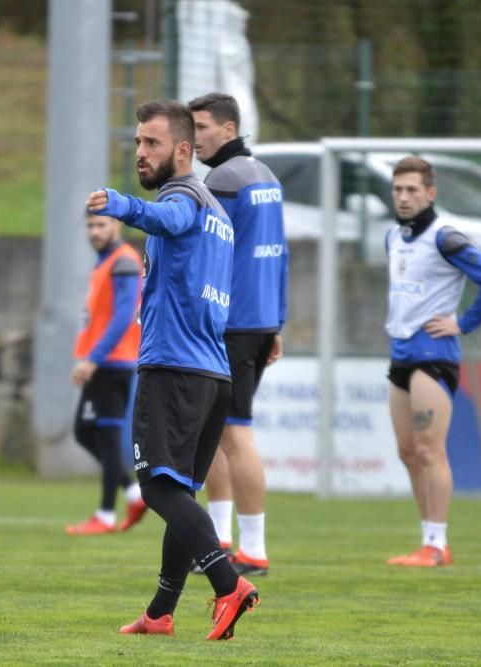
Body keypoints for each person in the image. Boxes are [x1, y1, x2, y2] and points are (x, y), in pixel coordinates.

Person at [86, 99, 258, 640]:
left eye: (152, 143)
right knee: (178, 490)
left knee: (158, 490)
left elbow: (167, 218)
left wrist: (121, 206)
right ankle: (160, 613)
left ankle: (229, 585)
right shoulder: (221, 217)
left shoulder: (181, 196)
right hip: (213, 374)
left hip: (175, 369)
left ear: (183, 150)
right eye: (138, 142)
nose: (141, 152)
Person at [384, 156, 481, 567]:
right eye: (398, 189)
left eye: (412, 190)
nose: (403, 197)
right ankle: (428, 541)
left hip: (433, 357)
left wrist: (463, 323)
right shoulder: (393, 237)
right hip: (400, 354)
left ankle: (437, 544)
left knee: (429, 448)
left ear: (430, 193)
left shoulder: (445, 237)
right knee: (407, 451)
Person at [188, 92, 288, 577]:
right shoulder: (265, 175)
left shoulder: (222, 179)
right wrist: (278, 323)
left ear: (229, 129)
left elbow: (211, 251)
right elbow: (280, 255)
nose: (195, 137)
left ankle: (251, 549)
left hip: (230, 324)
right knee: (219, 433)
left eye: (202, 127)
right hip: (261, 322)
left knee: (235, 435)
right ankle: (222, 542)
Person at [65, 213, 146, 535]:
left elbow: (124, 316)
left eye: (102, 225)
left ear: (117, 226)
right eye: (90, 225)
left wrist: (93, 360)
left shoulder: (124, 261)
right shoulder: (106, 262)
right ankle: (133, 492)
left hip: (113, 363)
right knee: (84, 431)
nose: (95, 231)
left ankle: (106, 514)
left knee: (106, 435)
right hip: (105, 362)